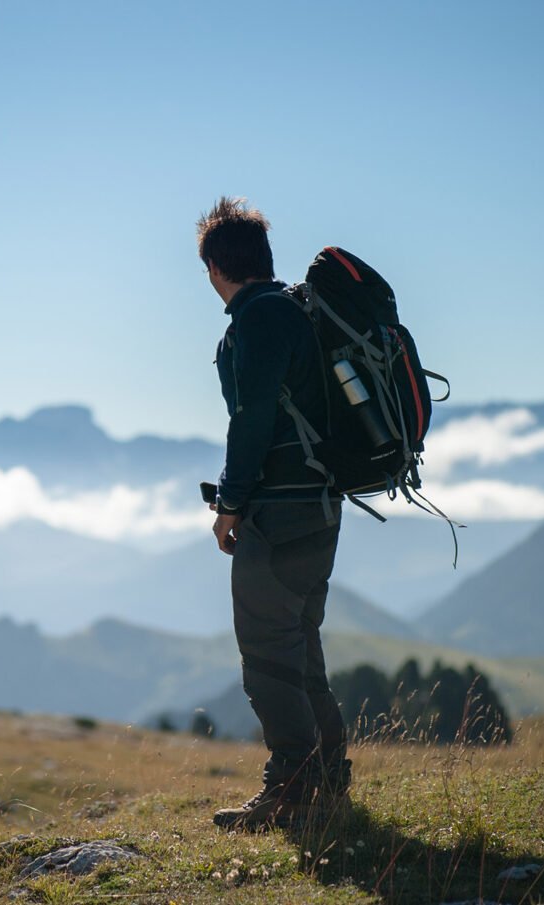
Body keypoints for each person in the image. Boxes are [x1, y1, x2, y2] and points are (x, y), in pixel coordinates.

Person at [197, 197, 351, 831]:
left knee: (266, 655)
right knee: (300, 649)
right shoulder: (296, 312)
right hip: (321, 508)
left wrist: (230, 506)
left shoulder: (256, 322)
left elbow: (252, 422)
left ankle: (290, 789)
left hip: (278, 516)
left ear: (215, 268)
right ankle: (328, 781)